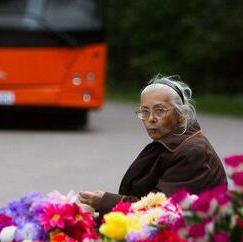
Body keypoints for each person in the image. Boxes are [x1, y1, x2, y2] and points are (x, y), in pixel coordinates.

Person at [79, 75, 227, 215]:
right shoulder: (171, 142)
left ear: (181, 113)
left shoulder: (192, 152)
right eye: (144, 111)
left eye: (160, 110)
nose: (151, 119)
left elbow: (161, 210)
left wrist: (104, 201)